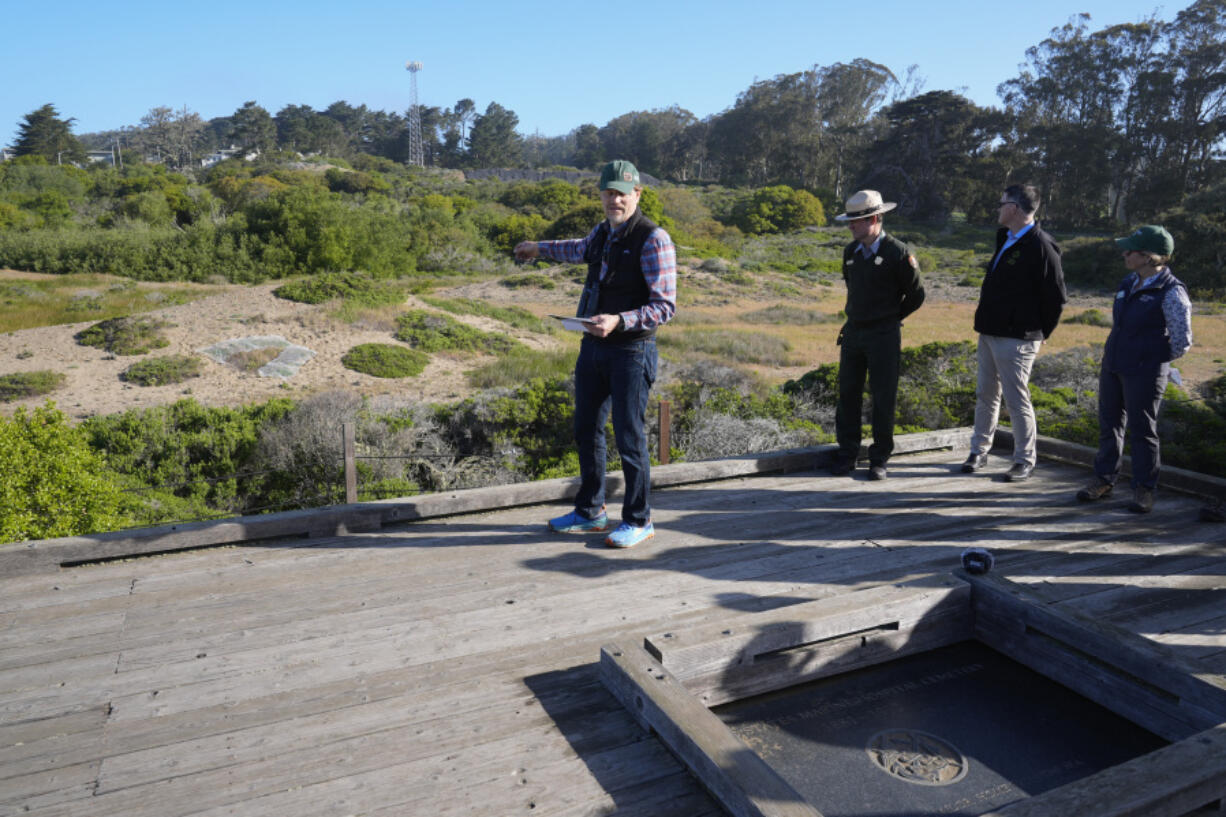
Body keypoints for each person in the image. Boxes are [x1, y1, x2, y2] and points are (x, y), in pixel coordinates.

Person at [513, 160, 676, 548]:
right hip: (594, 346)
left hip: (632, 352)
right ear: (600, 195)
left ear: (638, 194)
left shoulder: (654, 239)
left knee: (629, 437)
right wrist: (538, 249)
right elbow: (579, 249)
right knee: (586, 429)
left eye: (622, 193)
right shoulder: (603, 233)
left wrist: (619, 321)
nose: (614, 199)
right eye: (608, 192)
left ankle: (639, 520)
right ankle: (591, 512)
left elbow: (664, 307)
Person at [1076, 225, 1191, 513]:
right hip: (1114, 364)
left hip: (1145, 372)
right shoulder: (1129, 282)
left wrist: (1151, 361)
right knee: (1109, 424)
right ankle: (1103, 480)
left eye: (1131, 250)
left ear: (1150, 256)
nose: (1125, 253)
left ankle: (1144, 489)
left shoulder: (1171, 291)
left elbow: (1182, 341)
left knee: (1142, 431)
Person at [962, 184, 1066, 482]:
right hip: (989, 332)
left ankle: (1024, 459)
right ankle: (979, 451)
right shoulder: (1004, 237)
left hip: (1018, 338)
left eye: (1002, 202)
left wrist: (1043, 330)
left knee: (1016, 398)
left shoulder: (1042, 246)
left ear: (1015, 209)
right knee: (985, 394)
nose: (998, 207)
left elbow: (1056, 297)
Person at [830, 190, 925, 480]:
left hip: (883, 336)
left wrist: (890, 319)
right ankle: (847, 454)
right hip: (854, 333)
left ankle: (879, 458)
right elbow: (853, 288)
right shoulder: (850, 253)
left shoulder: (898, 253)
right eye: (849, 221)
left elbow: (916, 295)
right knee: (848, 394)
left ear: (875, 218)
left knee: (884, 397)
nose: (851, 226)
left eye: (857, 221)